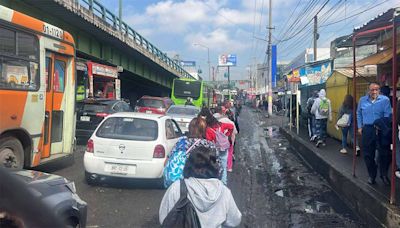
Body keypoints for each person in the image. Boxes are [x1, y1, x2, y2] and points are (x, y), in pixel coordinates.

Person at [159, 146, 242, 227]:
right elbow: (235, 220)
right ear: (214, 167)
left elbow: (164, 218)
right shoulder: (224, 191)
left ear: (188, 165)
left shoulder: (177, 188)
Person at [163, 117, 217, 188]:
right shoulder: (209, 145)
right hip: (203, 184)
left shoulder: (181, 142)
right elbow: (217, 166)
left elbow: (166, 162)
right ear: (203, 130)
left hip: (182, 184)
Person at [357, 82, 392, 185]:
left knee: (384, 154)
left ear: (379, 90)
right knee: (368, 155)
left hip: (381, 130)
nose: (374, 91)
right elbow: (358, 113)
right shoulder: (362, 100)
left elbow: (388, 115)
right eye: (372, 89)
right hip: (367, 129)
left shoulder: (385, 100)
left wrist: (381, 124)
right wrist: (359, 126)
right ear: (368, 90)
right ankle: (372, 175)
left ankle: (384, 174)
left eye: (376, 89)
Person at [199, 108, 233, 185]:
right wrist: (227, 135)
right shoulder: (221, 125)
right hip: (223, 149)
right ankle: (223, 184)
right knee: (224, 168)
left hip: (214, 151)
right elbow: (231, 126)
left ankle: (214, 184)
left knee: (213, 167)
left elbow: (209, 142)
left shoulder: (208, 130)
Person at [214, 106, 238, 173]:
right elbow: (235, 132)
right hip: (230, 141)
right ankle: (229, 167)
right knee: (229, 154)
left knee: (218, 154)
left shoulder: (217, 121)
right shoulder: (231, 123)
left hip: (219, 142)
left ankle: (219, 167)